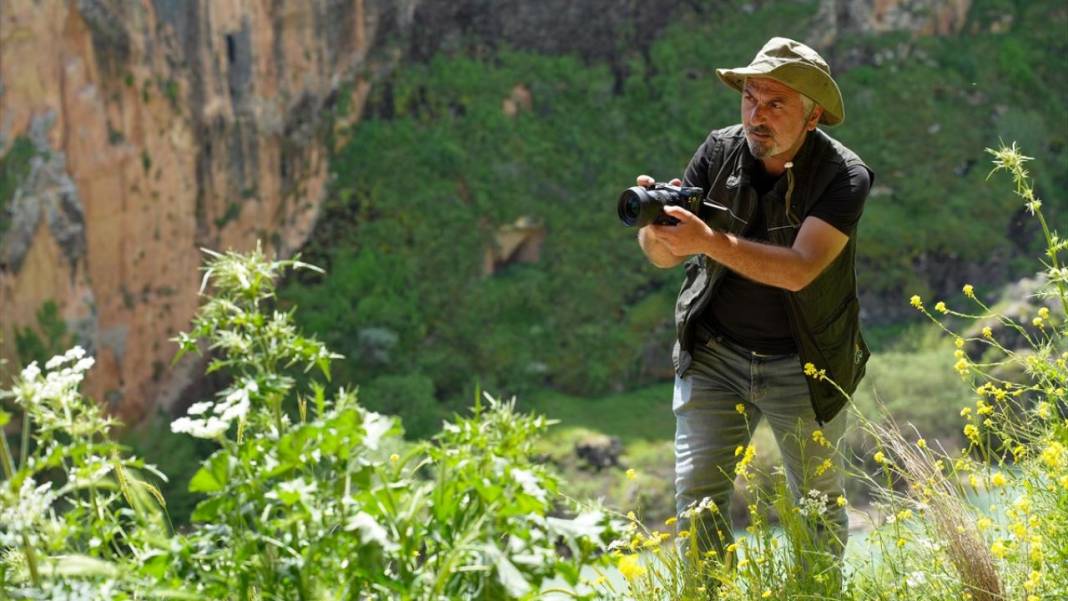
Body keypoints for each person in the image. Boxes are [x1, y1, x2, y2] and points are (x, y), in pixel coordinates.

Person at [634, 37, 873, 571]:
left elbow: (800, 268)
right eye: (750, 99)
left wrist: (707, 241)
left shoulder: (844, 176)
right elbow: (663, 257)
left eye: (775, 103)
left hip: (805, 362)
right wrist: (656, 229)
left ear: (812, 118)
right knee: (697, 502)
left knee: (815, 506)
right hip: (716, 355)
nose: (756, 115)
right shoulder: (718, 152)